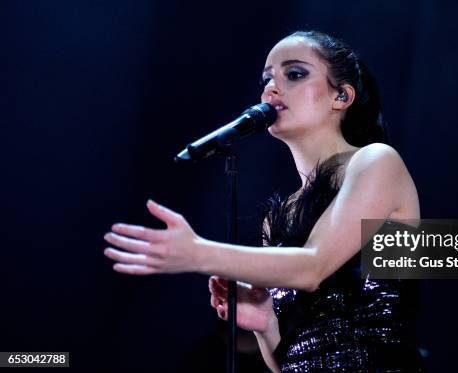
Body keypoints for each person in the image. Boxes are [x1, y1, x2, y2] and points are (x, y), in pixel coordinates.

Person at [104, 30, 424, 372]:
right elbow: (288, 362)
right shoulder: (281, 216)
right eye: (267, 78)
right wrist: (264, 323)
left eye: (295, 74)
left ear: (342, 97)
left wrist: (197, 252)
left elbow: (312, 266)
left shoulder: (376, 161)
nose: (271, 88)